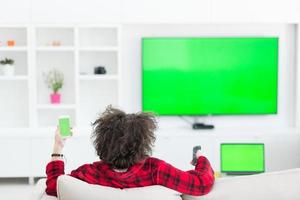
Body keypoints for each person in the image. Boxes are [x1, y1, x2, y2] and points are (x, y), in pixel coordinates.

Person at [46, 106, 215, 197]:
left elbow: (55, 187)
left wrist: (58, 146)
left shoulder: (88, 173)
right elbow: (202, 183)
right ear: (144, 143)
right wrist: (201, 159)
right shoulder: (157, 170)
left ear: (102, 142)